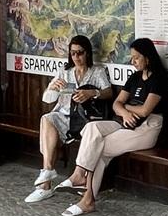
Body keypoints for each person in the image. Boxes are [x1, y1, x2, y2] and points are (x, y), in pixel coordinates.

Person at [54, 37, 168, 216]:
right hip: (124, 121)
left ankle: (87, 200)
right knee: (92, 128)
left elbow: (145, 110)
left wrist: (127, 108)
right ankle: (79, 174)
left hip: (147, 127)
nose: (133, 61)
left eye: (137, 58)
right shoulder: (135, 77)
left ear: (148, 58)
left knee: (97, 147)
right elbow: (117, 103)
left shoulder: (159, 78)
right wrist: (124, 112)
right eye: (132, 57)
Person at [24, 34, 113, 203]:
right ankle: (47, 173)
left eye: (80, 53)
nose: (76, 57)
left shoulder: (97, 71)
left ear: (87, 53)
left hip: (85, 118)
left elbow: (108, 92)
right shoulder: (64, 72)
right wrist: (52, 88)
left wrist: (92, 93)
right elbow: (47, 100)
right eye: (73, 53)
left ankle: (45, 184)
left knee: (49, 131)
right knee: (47, 119)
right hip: (64, 116)